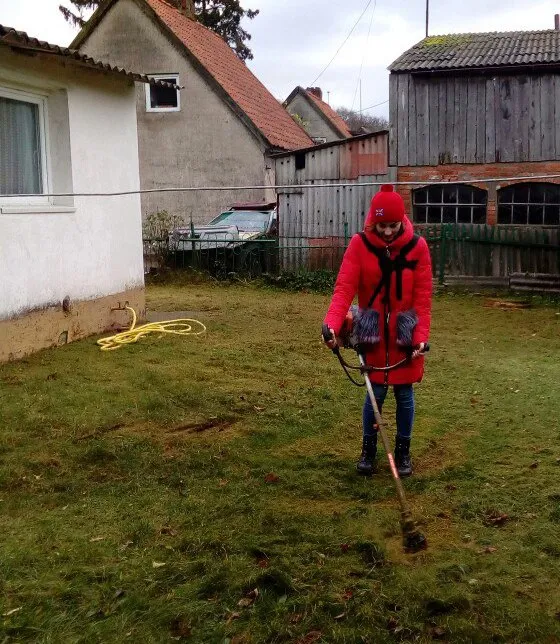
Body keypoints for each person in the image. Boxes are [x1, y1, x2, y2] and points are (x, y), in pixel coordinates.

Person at [323, 184, 432, 477]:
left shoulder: (418, 247)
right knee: (376, 393)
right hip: (373, 334)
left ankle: (403, 452)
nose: (387, 232)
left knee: (405, 394)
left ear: (402, 221)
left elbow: (423, 300)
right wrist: (331, 325)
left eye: (393, 225)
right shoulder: (359, 245)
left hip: (404, 336)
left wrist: (420, 338)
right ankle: (368, 450)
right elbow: (344, 289)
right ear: (373, 220)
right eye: (382, 225)